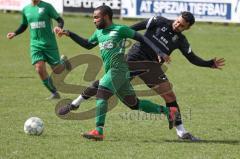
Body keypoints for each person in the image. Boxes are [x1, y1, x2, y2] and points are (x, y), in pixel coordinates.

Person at [59, 11, 225, 141]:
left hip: (152, 67)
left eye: (181, 25)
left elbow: (192, 58)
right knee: (106, 87)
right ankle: (77, 105)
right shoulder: (159, 21)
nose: (177, 25)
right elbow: (134, 29)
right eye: (177, 21)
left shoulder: (181, 40)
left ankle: (182, 132)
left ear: (187, 28)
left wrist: (209, 63)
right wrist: (118, 38)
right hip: (134, 59)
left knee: (169, 95)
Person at [57, 5, 179, 141]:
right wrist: (69, 33)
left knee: (101, 94)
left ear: (106, 17)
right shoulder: (99, 33)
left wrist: (159, 52)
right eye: (93, 18)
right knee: (134, 104)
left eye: (96, 17)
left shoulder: (120, 30)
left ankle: (98, 130)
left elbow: (143, 39)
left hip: (119, 69)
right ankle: (169, 111)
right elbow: (87, 44)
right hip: (113, 72)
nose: (94, 20)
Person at [7, 0, 71, 99]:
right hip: (35, 45)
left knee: (58, 70)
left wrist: (59, 27)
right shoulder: (26, 9)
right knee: (39, 69)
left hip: (49, 44)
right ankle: (54, 93)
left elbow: (60, 20)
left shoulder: (47, 6)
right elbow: (24, 25)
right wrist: (15, 33)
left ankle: (63, 61)